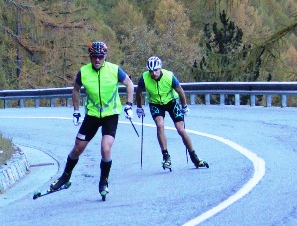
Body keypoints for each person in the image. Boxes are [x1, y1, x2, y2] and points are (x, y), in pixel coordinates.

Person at [45, 41, 136, 199]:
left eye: (100, 56)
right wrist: (76, 111)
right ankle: (65, 177)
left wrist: (129, 105)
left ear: (105, 56)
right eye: (94, 56)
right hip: (92, 115)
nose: (97, 59)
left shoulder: (114, 69)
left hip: (110, 115)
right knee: (77, 149)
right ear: (90, 56)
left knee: (105, 148)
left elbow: (129, 84)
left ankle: (103, 181)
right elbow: (76, 89)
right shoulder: (84, 72)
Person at [135, 55, 209, 170]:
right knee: (160, 125)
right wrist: (139, 107)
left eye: (156, 70)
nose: (154, 73)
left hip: (171, 102)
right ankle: (166, 157)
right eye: (151, 71)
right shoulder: (144, 78)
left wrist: (184, 106)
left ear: (160, 68)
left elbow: (180, 91)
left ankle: (195, 157)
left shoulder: (169, 76)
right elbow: (138, 92)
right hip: (155, 103)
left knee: (181, 129)